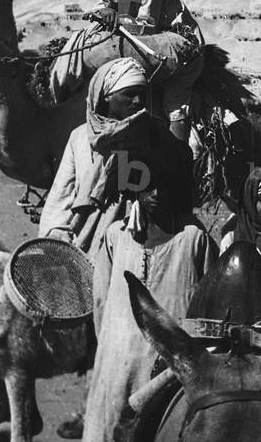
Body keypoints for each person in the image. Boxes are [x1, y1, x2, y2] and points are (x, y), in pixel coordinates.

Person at [81, 62, 217, 442]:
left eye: (164, 185)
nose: (156, 193)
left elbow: (206, 309)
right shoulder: (116, 237)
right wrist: (111, 348)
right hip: (115, 365)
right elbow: (100, 304)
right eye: (147, 184)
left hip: (168, 372)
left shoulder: (193, 240)